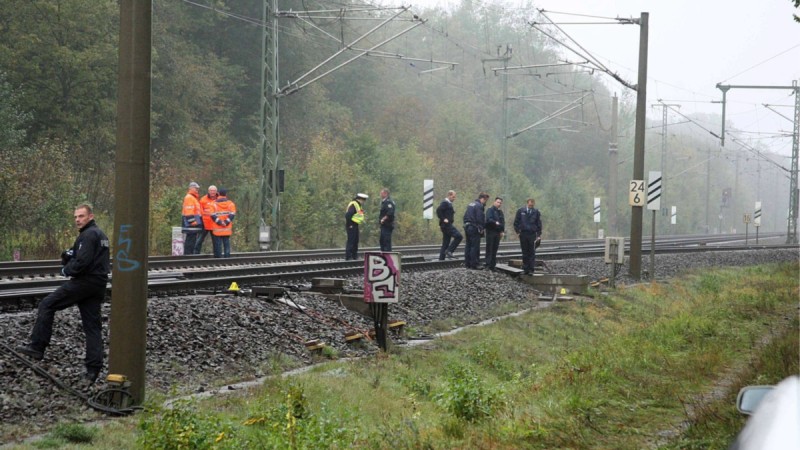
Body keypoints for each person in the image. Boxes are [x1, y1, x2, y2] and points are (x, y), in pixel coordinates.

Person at [16, 204, 110, 383]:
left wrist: (66, 270)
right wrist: (69, 254)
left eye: (81, 216)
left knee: (47, 304)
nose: (77, 220)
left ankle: (37, 346)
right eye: (76, 217)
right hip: (98, 283)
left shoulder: (88, 235)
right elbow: (78, 254)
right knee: (92, 326)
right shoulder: (100, 235)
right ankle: (93, 369)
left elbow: (81, 262)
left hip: (84, 282)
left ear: (91, 216)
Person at [513, 198, 543, 275]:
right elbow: (516, 222)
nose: (531, 206)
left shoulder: (536, 212)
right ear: (527, 203)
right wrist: (518, 232)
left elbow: (539, 224)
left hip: (532, 234)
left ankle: (531, 269)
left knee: (532, 252)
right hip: (523, 234)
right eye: (530, 205)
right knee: (525, 252)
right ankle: (525, 268)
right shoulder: (521, 211)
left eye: (532, 205)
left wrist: (538, 235)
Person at [463, 192, 490, 269]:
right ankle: (474, 264)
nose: (485, 203)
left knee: (468, 245)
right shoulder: (479, 206)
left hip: (467, 226)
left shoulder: (470, 204)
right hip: (474, 227)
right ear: (483, 199)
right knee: (475, 246)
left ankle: (467, 263)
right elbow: (480, 218)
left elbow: (465, 216)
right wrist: (481, 228)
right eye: (485, 201)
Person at [436, 190, 462, 260]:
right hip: (447, 225)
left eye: (455, 197)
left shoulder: (448, 203)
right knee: (459, 236)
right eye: (453, 197)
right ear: (449, 196)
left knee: (445, 243)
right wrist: (443, 219)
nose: (454, 198)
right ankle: (449, 250)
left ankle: (441, 259)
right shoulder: (445, 203)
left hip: (445, 226)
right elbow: (438, 210)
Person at [211, 188, 236, 258]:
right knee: (226, 243)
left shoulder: (213, 204)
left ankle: (219, 259)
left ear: (218, 194)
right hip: (226, 228)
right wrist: (226, 222)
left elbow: (212, 215)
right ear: (226, 194)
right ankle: (227, 259)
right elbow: (232, 214)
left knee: (218, 245)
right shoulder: (231, 204)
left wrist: (220, 222)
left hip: (217, 229)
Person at [195, 185, 219, 254]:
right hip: (204, 224)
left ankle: (217, 256)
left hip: (215, 224)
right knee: (199, 240)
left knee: (216, 242)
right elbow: (198, 211)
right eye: (211, 190)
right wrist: (199, 222)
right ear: (208, 191)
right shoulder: (203, 199)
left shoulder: (219, 199)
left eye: (214, 191)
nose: (212, 192)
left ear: (216, 191)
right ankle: (195, 254)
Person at [484, 197, 505, 271]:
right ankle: (488, 264)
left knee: (495, 249)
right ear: (494, 202)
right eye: (498, 202)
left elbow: (502, 222)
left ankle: (493, 265)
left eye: (500, 203)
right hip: (491, 231)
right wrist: (495, 222)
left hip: (497, 232)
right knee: (489, 248)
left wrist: (502, 231)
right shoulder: (490, 210)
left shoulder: (500, 212)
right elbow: (488, 220)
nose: (499, 204)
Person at [181, 181, 203, 255]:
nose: (197, 190)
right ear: (191, 188)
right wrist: (192, 221)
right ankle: (188, 256)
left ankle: (189, 256)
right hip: (191, 223)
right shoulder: (189, 198)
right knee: (190, 240)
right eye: (196, 188)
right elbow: (189, 210)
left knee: (192, 240)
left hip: (193, 222)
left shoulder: (193, 198)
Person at [345, 193, 368, 260]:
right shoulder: (353, 204)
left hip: (355, 225)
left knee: (355, 241)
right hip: (351, 225)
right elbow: (348, 215)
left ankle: (354, 256)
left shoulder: (358, 205)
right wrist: (350, 225)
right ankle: (349, 256)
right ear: (360, 199)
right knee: (351, 241)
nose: (364, 202)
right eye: (364, 200)